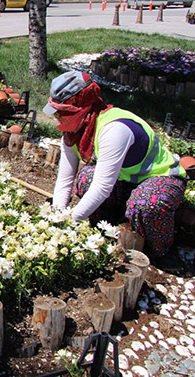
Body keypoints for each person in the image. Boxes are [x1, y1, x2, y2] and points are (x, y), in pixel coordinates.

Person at [45, 71, 188, 269]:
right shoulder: (73, 131)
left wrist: (71, 222)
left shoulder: (114, 129)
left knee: (147, 203)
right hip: (127, 181)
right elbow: (65, 178)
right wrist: (57, 216)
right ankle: (116, 221)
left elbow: (102, 187)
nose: (59, 119)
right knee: (85, 179)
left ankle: (163, 249)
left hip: (161, 178)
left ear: (82, 109)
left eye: (63, 113)